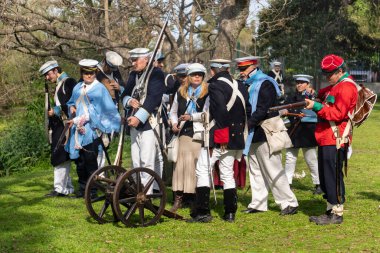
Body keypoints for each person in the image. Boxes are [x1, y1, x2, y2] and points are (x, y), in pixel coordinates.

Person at [188, 59, 250, 223]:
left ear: (213, 71)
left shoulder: (215, 86)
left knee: (202, 170)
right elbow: (247, 111)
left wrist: (222, 137)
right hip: (236, 136)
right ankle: (230, 213)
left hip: (218, 136)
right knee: (227, 173)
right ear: (227, 69)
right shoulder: (241, 86)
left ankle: (203, 212)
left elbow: (221, 111)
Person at [239, 56, 299, 215]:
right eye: (240, 69)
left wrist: (247, 125)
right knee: (255, 169)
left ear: (253, 66)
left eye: (244, 69)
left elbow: (263, 108)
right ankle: (258, 203)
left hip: (265, 130)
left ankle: (289, 202)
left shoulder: (265, 83)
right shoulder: (246, 84)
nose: (241, 72)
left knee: (273, 169)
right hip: (253, 132)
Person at [306, 54, 357, 225]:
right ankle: (329, 210)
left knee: (333, 177)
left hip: (336, 137)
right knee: (325, 175)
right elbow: (325, 94)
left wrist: (317, 106)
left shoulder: (346, 87)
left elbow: (337, 113)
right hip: (326, 137)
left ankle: (337, 213)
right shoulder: (336, 85)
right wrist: (314, 96)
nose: (327, 78)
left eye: (330, 74)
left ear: (340, 71)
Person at [65, 59, 121, 198]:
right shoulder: (77, 87)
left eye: (91, 73)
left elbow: (105, 110)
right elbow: (71, 102)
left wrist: (85, 118)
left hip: (92, 130)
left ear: (95, 73)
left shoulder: (100, 89)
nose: (89, 76)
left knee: (91, 162)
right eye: (86, 73)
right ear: (82, 73)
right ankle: (83, 189)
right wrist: (71, 107)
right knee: (80, 162)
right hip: (77, 131)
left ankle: (93, 191)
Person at [121, 48, 166, 190]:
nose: (133, 63)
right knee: (136, 161)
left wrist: (138, 118)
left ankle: (148, 194)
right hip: (134, 121)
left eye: (136, 60)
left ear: (146, 59)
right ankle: (138, 190)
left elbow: (153, 98)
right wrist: (129, 101)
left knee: (147, 161)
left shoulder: (156, 73)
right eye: (132, 60)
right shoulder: (133, 75)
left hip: (149, 122)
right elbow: (125, 94)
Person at [169, 63, 208, 213]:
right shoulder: (181, 92)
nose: (196, 77)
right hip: (183, 134)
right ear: (189, 76)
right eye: (193, 74)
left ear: (203, 77)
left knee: (195, 167)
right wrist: (173, 124)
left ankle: (193, 199)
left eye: (199, 74)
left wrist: (191, 117)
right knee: (179, 166)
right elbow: (173, 111)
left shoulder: (207, 92)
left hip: (198, 134)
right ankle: (178, 198)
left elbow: (207, 114)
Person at [39, 60, 76, 197]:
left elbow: (73, 103)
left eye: (48, 74)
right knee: (60, 156)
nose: (47, 78)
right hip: (60, 125)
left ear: (55, 70)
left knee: (59, 155)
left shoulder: (69, 82)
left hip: (66, 124)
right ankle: (66, 187)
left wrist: (55, 110)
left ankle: (60, 189)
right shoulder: (60, 84)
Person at [283, 74, 322, 195]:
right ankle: (287, 184)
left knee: (311, 159)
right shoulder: (291, 97)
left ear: (308, 84)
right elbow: (286, 110)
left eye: (302, 82)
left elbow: (317, 110)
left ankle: (318, 184)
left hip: (307, 132)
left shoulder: (313, 96)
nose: (299, 84)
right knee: (290, 159)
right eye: (297, 82)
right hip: (293, 131)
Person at [96, 50, 125, 168]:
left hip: (112, 113)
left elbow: (125, 89)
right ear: (105, 62)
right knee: (98, 144)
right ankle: (98, 172)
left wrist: (119, 87)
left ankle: (101, 169)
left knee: (105, 142)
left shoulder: (116, 72)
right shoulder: (95, 71)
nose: (112, 71)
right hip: (99, 113)